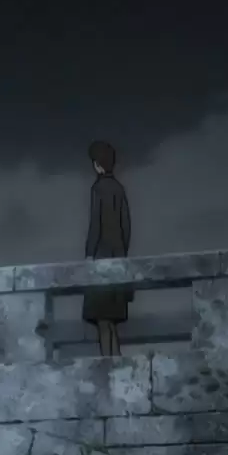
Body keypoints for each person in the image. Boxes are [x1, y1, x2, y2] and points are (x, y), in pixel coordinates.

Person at [83, 140, 132, 357]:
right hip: (118, 260)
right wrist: (122, 254)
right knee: (111, 322)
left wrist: (89, 255)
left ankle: (107, 364)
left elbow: (95, 224)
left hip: (101, 261)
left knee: (103, 322)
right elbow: (126, 227)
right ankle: (117, 362)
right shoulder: (119, 190)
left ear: (97, 165)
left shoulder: (98, 189)